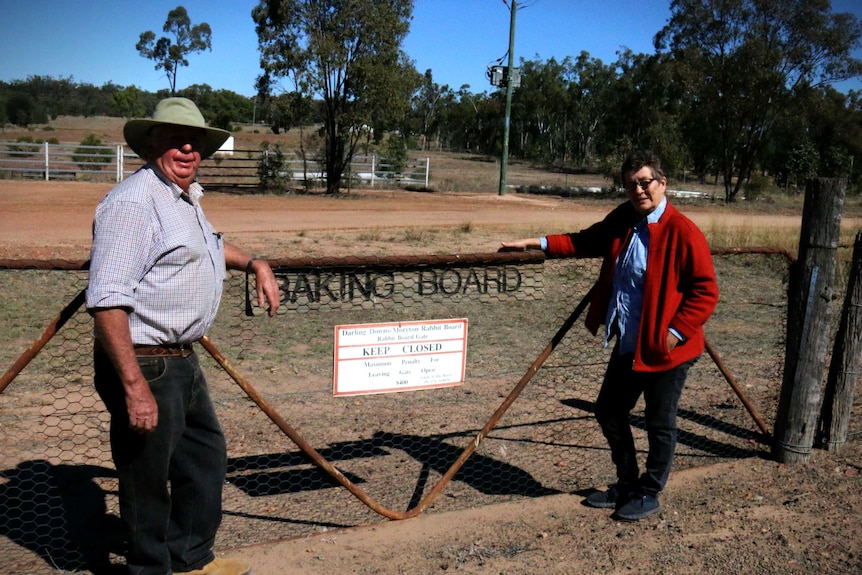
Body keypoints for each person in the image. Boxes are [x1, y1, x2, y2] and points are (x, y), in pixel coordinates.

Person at [86, 97, 280, 575]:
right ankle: (150, 569)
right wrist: (133, 387)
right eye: (175, 139)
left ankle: (190, 560)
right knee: (147, 478)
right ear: (152, 142)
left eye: (196, 142)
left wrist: (254, 262)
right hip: (146, 361)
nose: (188, 149)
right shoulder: (133, 203)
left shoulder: (184, 197)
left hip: (182, 360)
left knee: (203, 460)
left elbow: (211, 246)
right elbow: (107, 299)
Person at [500, 150, 718, 521]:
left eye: (645, 182)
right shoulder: (624, 218)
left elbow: (705, 290)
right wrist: (535, 243)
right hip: (631, 343)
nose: (638, 190)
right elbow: (586, 241)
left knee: (658, 421)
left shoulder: (683, 230)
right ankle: (627, 484)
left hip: (666, 349)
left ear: (662, 183)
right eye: (631, 184)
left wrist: (674, 332)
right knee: (609, 411)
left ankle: (650, 491)